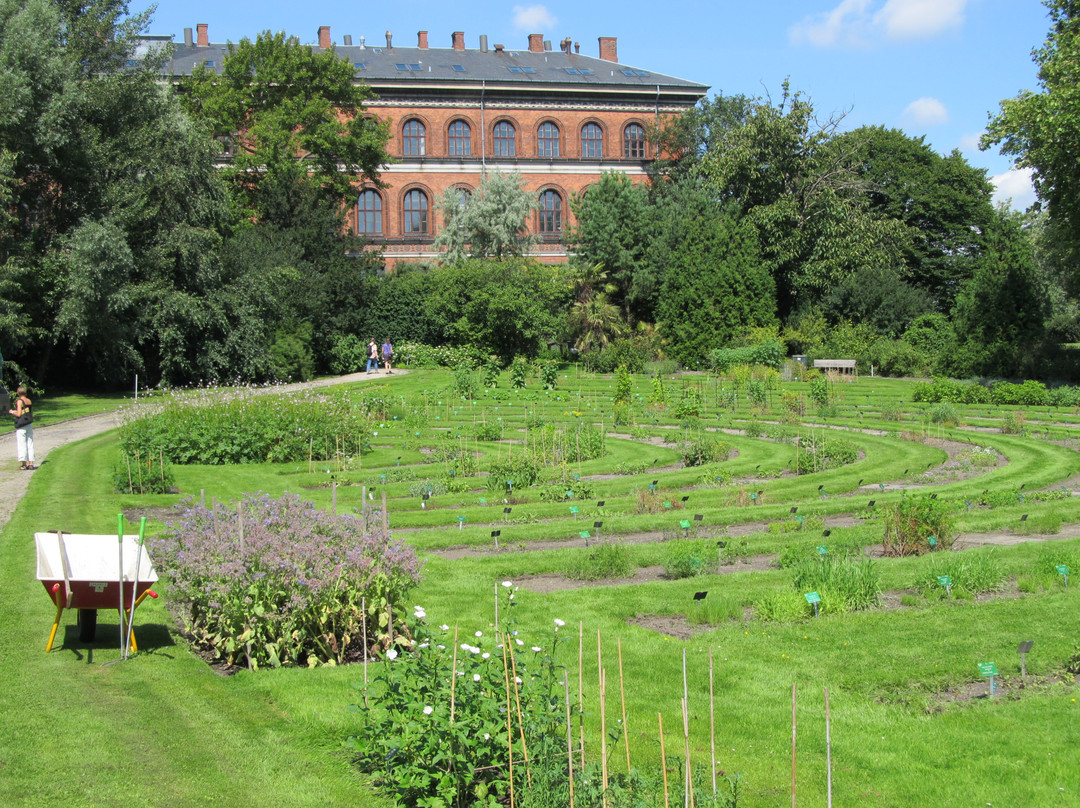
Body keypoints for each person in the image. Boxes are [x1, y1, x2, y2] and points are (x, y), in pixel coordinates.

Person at [9, 385, 34, 470]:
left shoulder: (19, 401)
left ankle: (24, 464)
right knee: (30, 443)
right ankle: (31, 463)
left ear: (18, 393)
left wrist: (12, 412)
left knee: (22, 444)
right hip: (29, 424)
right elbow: (28, 412)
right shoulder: (29, 401)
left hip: (22, 426)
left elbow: (19, 414)